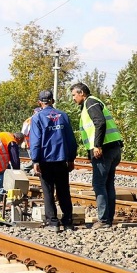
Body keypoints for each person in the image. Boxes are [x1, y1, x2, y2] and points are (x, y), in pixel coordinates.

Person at [71, 82, 123, 229]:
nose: (73, 98)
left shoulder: (90, 102)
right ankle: (108, 218)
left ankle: (104, 220)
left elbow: (100, 122)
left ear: (82, 93)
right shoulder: (94, 102)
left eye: (74, 95)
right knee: (108, 184)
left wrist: (97, 145)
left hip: (104, 150)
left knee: (99, 184)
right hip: (113, 148)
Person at [30, 90, 78, 232]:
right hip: (62, 159)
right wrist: (71, 158)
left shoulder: (37, 118)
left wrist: (35, 160)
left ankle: (53, 223)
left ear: (40, 102)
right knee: (64, 190)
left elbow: (35, 141)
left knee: (48, 192)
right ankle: (68, 221)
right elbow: (70, 139)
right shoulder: (63, 116)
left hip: (45, 160)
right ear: (53, 101)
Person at [21, 107, 42, 173]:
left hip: (39, 143)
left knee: (38, 158)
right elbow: (23, 133)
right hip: (30, 143)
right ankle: (25, 168)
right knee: (34, 158)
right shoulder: (29, 121)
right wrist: (24, 141)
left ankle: (30, 170)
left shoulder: (42, 119)